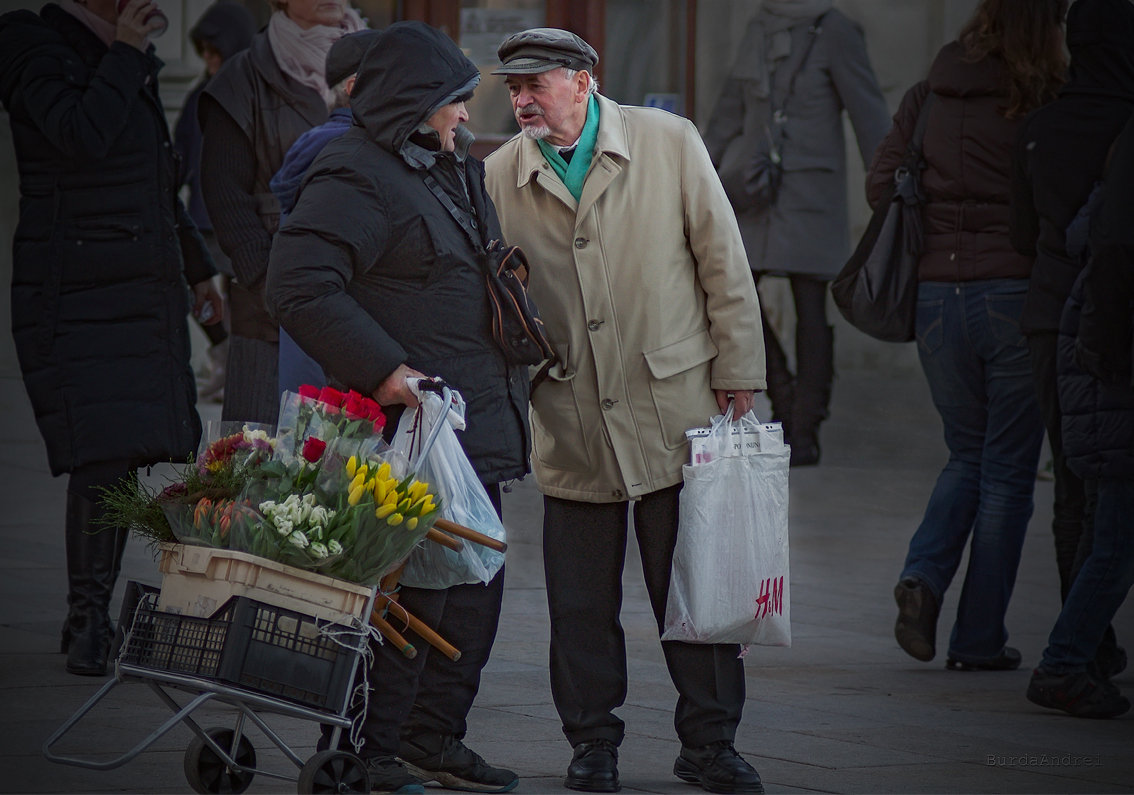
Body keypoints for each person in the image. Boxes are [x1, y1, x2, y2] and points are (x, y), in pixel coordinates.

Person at [484, 28, 768, 795]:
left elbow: (723, 259)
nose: (522, 100)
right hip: (570, 416)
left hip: (677, 407)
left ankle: (710, 743)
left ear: (582, 81)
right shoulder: (497, 176)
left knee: (697, 596)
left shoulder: (669, 141)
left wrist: (740, 364)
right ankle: (591, 742)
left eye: (537, 83)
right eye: (514, 88)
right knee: (580, 605)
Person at [266, 21, 529, 795]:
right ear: (416, 103)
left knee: (474, 588)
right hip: (404, 430)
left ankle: (434, 737)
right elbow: (298, 286)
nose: (465, 118)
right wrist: (384, 371)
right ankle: (368, 751)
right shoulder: (353, 169)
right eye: (456, 102)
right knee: (401, 601)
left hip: (470, 420)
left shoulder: (449, 164)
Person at [0, 0, 222, 676]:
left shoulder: (125, 61)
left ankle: (90, 616)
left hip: (137, 290)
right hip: (77, 290)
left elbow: (155, 182)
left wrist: (199, 270)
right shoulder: (32, 46)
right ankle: (87, 616)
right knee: (102, 455)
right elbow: (80, 135)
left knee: (123, 451)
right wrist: (126, 51)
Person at [867, 0, 1066, 671]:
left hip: (934, 301)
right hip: (1013, 294)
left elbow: (878, 185)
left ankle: (923, 576)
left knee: (967, 451)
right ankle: (978, 639)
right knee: (1009, 473)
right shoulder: (1044, 98)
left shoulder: (930, 93)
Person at [702, 0, 890, 466]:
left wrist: (890, 188)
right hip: (757, 189)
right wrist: (700, 168)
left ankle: (804, 429)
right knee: (738, 293)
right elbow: (731, 104)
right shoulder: (761, 24)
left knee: (811, 305)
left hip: (810, 194)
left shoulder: (836, 30)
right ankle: (784, 400)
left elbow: (867, 112)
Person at [1009, 0, 1134, 683]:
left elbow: (1022, 236)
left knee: (1071, 482)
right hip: (1108, 319)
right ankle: (1079, 647)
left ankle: (1086, 636)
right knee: (1109, 490)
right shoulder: (1127, 123)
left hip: (1048, 311)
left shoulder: (1040, 127)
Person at [199, 0, 365, 425]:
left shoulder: (381, 62)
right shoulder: (242, 78)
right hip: (270, 306)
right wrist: (269, 283)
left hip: (365, 300)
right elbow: (225, 195)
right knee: (268, 467)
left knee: (360, 476)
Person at [1027, 113, 1134, 719]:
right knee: (1114, 537)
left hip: (1094, 373)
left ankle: (1085, 652)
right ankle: (1066, 660)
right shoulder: (1111, 237)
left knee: (1104, 528)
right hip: (1109, 380)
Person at [269, 28, 380, 398]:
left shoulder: (324, 149)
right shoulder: (350, 159)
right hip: (339, 386)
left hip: (316, 376)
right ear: (354, 87)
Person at [174, 0, 257, 403]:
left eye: (214, 50)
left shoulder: (250, 88)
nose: (208, 59)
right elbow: (181, 148)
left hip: (241, 212)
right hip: (203, 215)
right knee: (200, 291)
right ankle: (222, 354)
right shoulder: (198, 95)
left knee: (243, 292)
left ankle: (233, 364)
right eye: (203, 51)